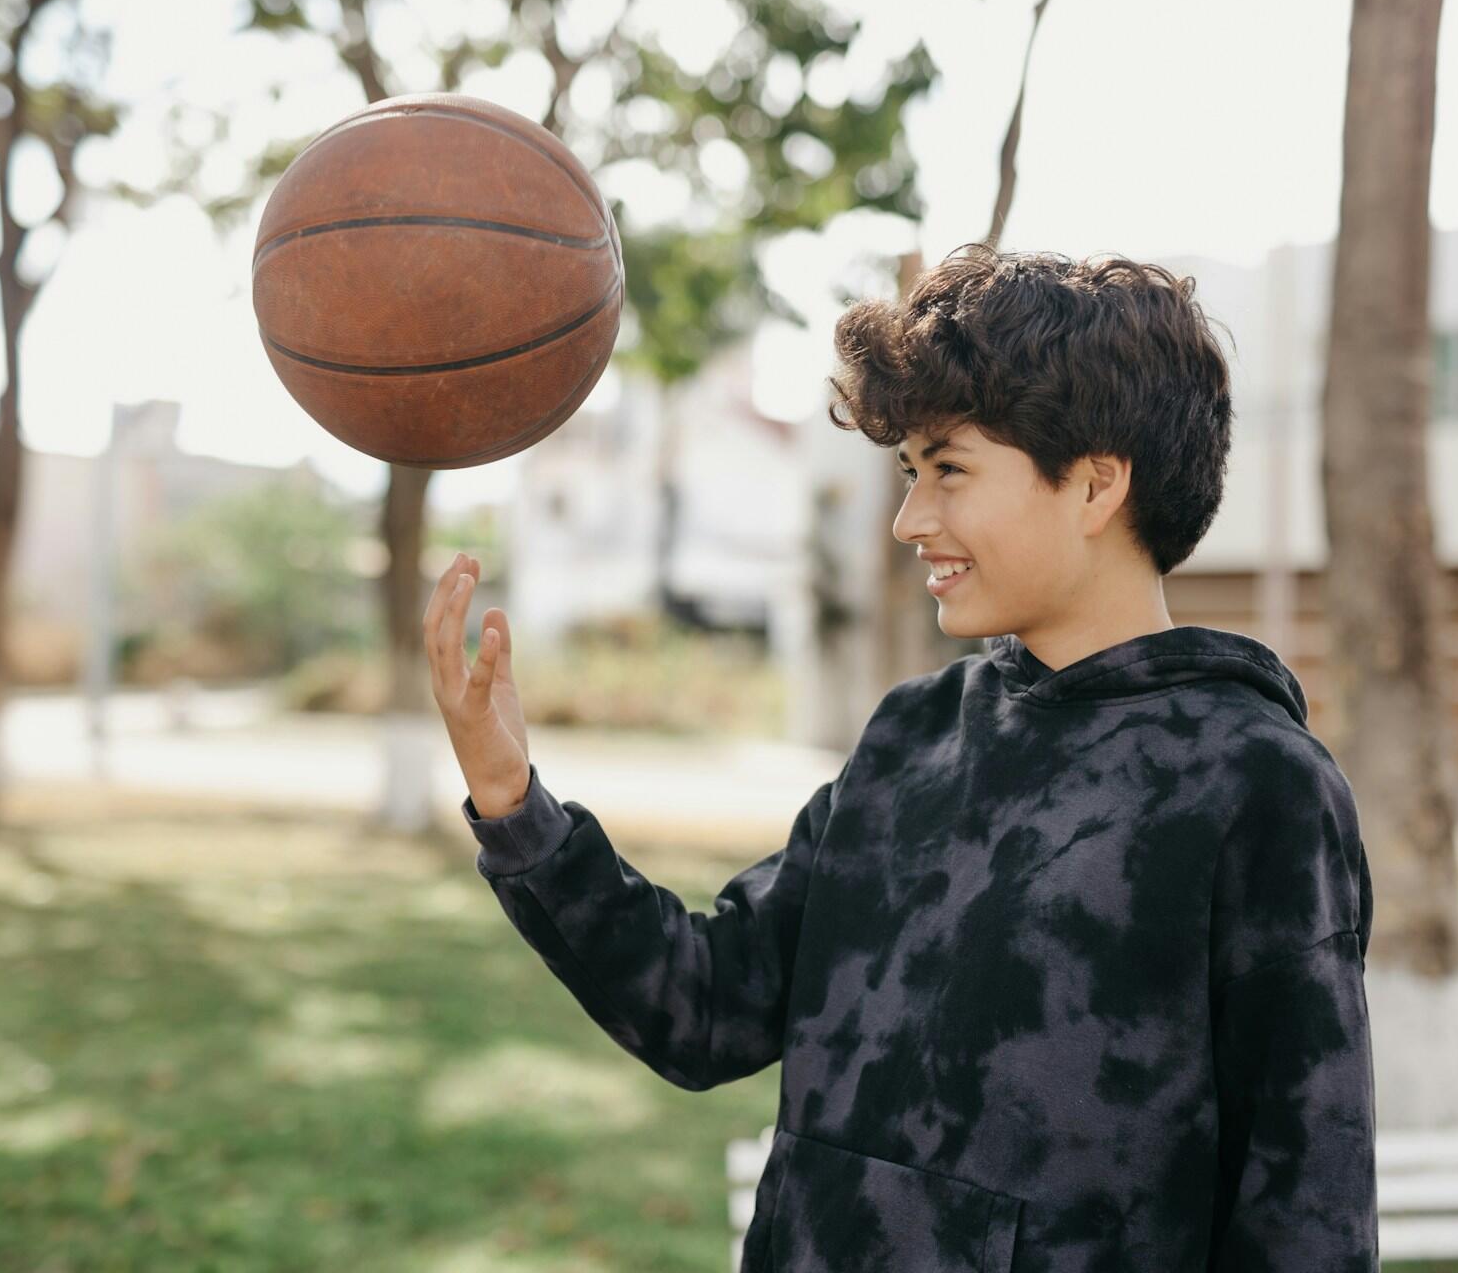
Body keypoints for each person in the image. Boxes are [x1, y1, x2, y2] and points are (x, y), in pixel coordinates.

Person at [424, 242, 1378, 1272]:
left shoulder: (1256, 783)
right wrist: (513, 798)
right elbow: (706, 1006)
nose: (909, 518)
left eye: (950, 470)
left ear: (1097, 483)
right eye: (909, 472)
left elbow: (1306, 1216)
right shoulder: (910, 739)